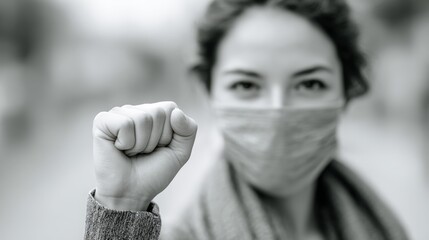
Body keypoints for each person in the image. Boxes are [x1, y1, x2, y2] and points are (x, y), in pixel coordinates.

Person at [85, 0, 408, 239]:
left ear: (346, 92)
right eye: (246, 85)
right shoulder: (182, 234)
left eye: (310, 84)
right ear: (207, 92)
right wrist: (120, 206)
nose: (278, 111)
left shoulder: (380, 225)